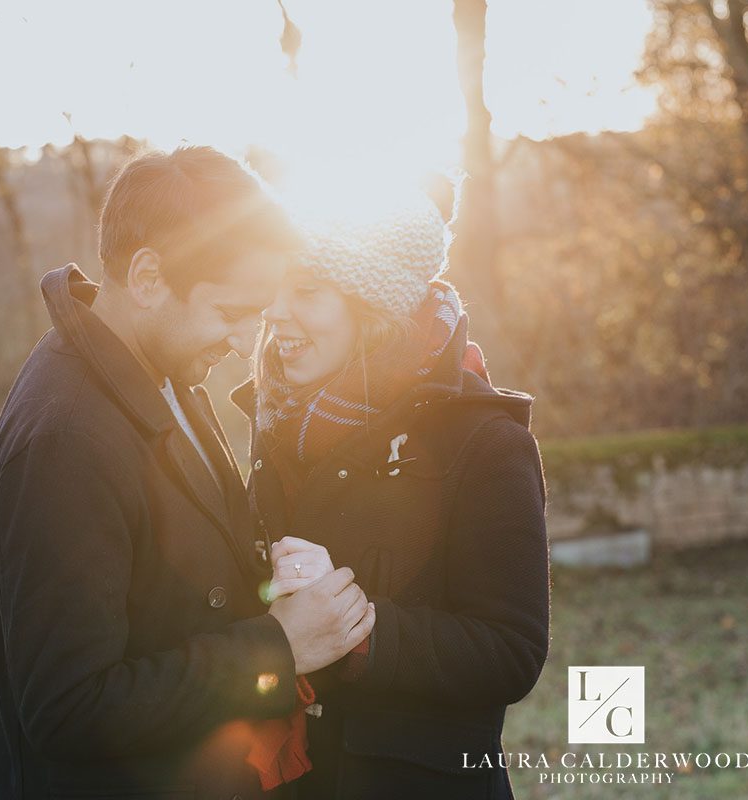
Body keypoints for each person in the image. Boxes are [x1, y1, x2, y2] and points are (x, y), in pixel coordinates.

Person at [0, 146, 377, 800]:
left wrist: (271, 581)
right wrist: (278, 647)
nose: (245, 344)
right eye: (233, 312)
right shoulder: (64, 438)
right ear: (149, 277)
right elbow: (69, 710)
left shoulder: (162, 372)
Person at [231, 188, 551, 798]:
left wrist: (357, 629)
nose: (274, 312)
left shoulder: (484, 444)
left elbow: (510, 651)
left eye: (307, 291)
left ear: (372, 308)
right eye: (276, 287)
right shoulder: (276, 423)